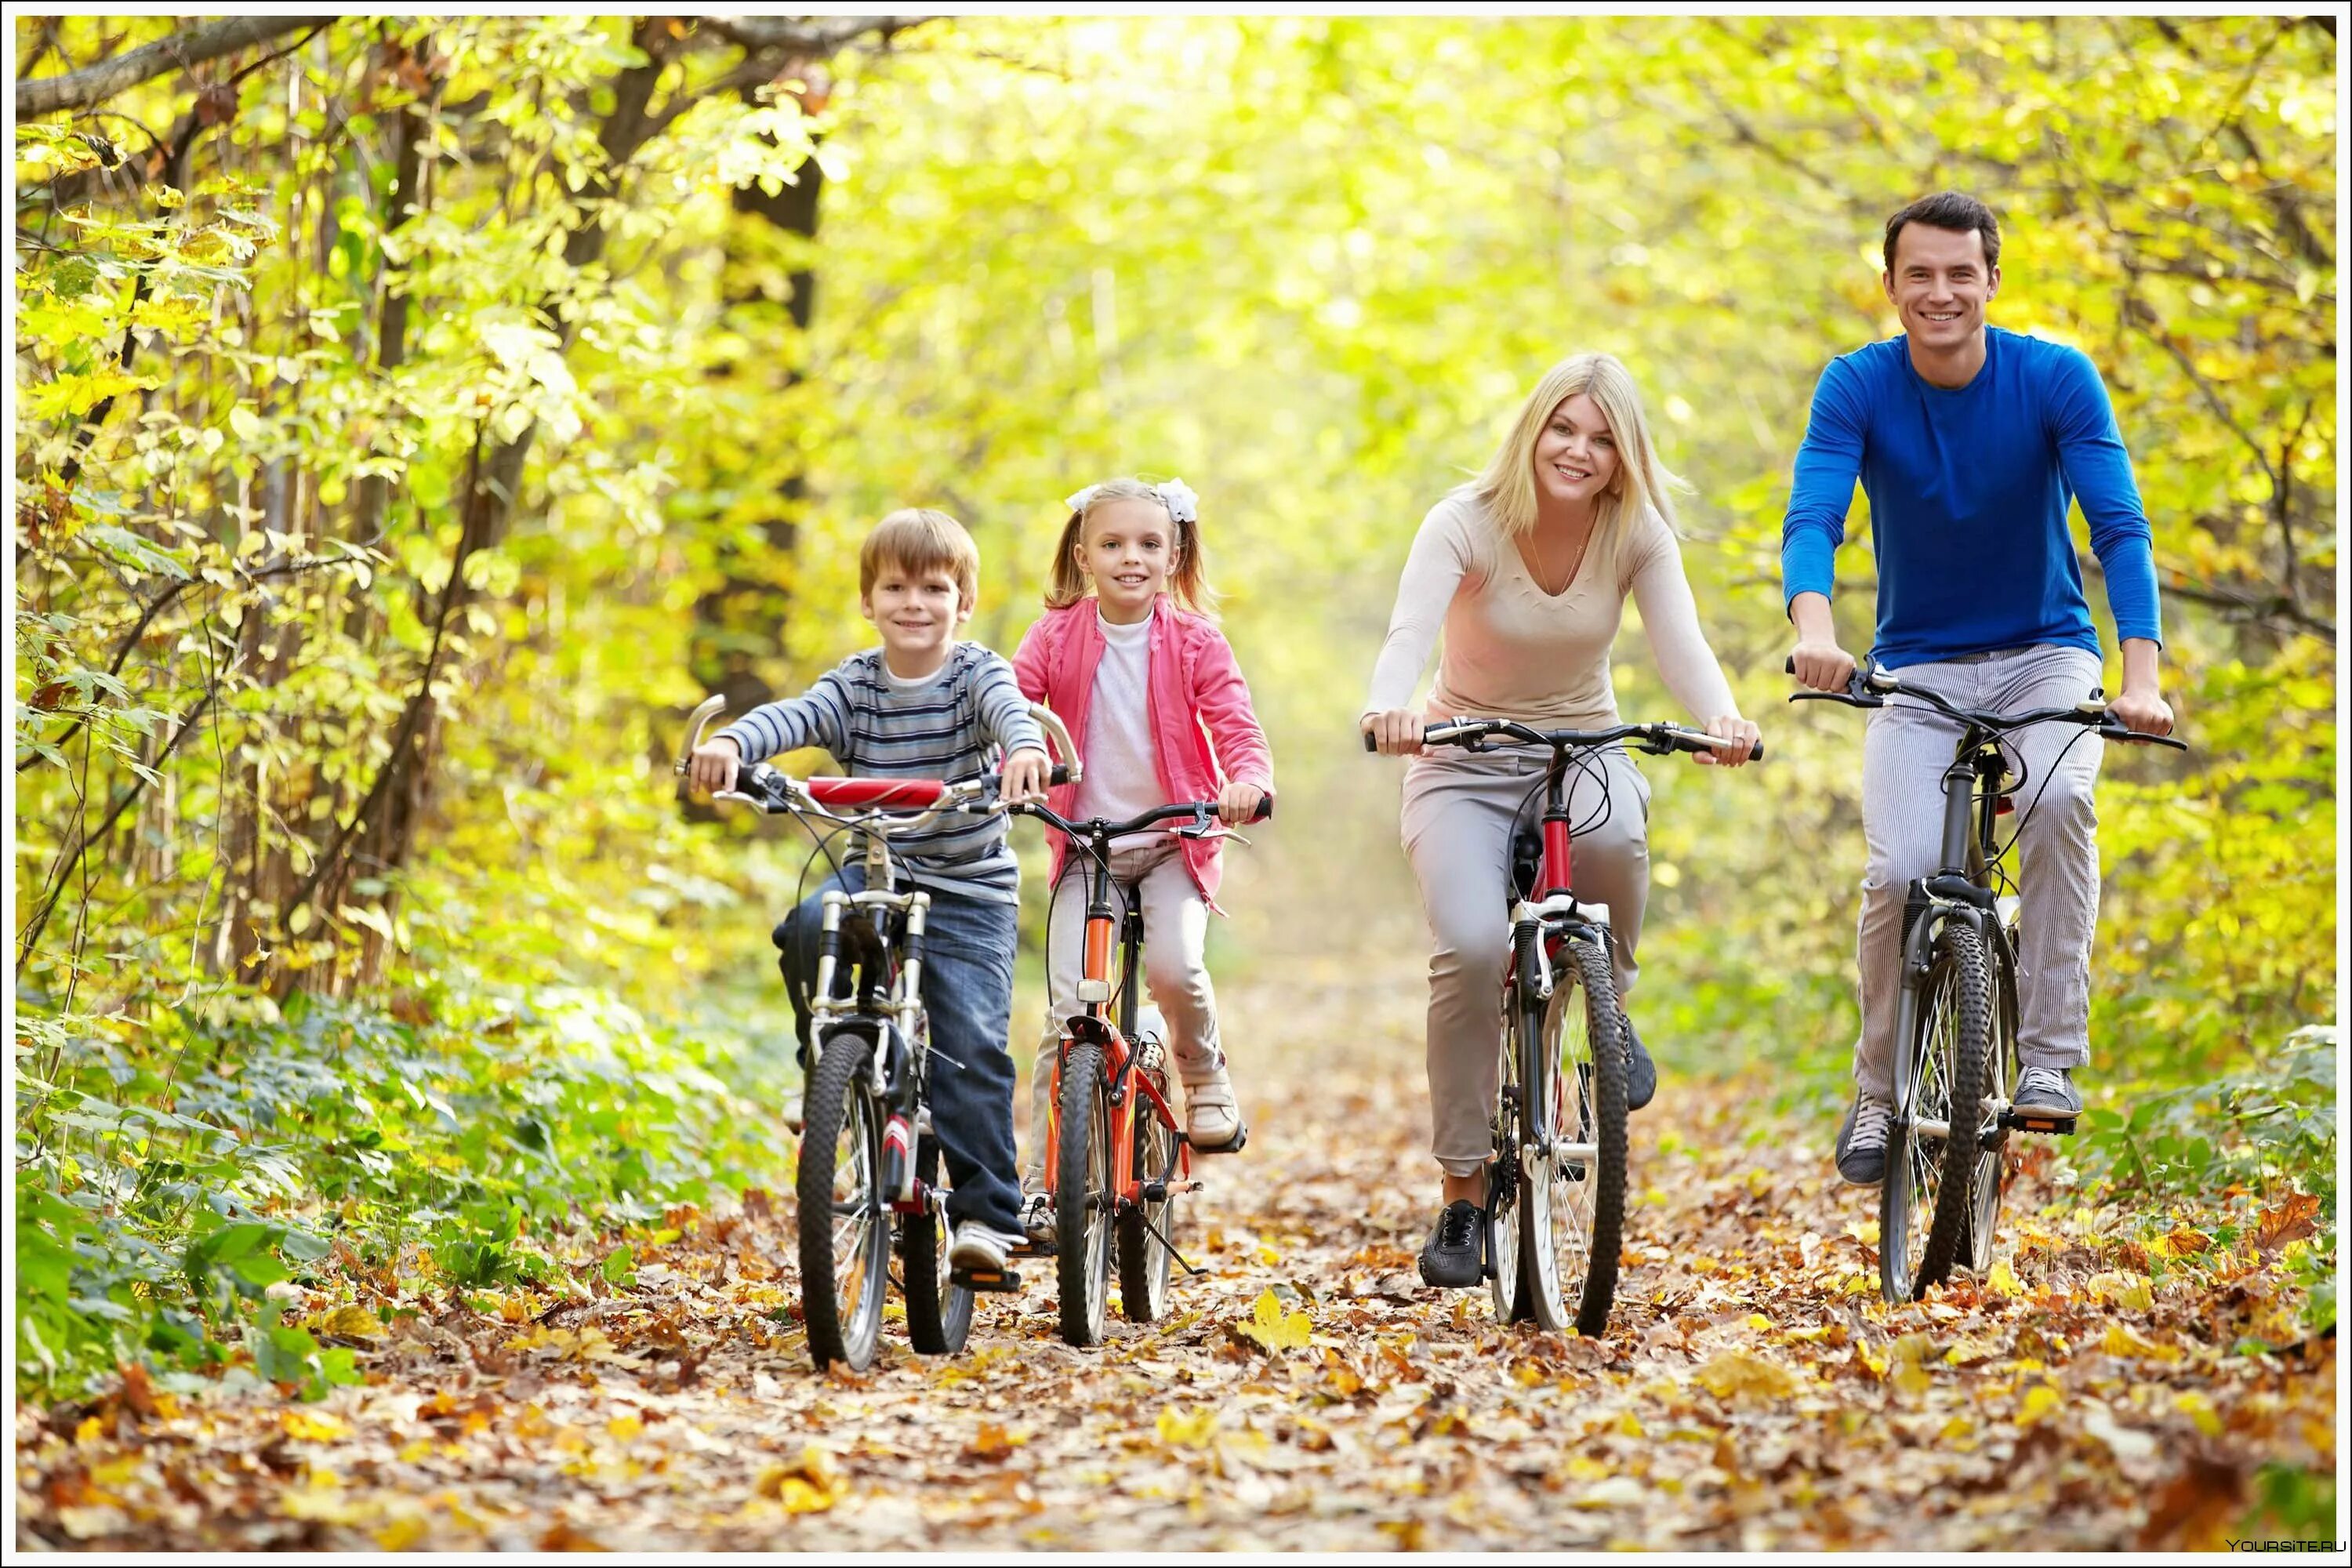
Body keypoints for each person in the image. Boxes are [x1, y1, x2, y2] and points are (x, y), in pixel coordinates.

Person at [1780, 191, 2172, 1187]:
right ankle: (1877, 1087)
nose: (1941, 292)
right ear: (1892, 285)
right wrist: (1816, 634)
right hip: (1918, 664)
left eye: (1962, 273)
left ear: (1993, 280)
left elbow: (2118, 527)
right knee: (1897, 869)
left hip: (2047, 651)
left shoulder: (2055, 378)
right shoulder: (1857, 386)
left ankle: (2045, 1056)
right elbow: (1815, 514)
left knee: (2062, 801)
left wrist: (2142, 679)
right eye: (1920, 274)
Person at [1361, 353, 1760, 1289]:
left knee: (1618, 837)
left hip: (1583, 748)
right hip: (1461, 759)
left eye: (1601, 438)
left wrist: (1723, 716)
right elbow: (1408, 633)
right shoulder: (1464, 522)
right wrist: (1393, 706)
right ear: (1532, 431)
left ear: (1625, 456)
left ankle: (1605, 1016)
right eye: (1563, 429)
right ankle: (1464, 1194)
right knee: (1465, 946)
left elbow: (1681, 642)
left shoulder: (1637, 533)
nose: (1578, 451)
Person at [687, 508, 1051, 1273]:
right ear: (868, 599)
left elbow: (1010, 713)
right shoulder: (855, 684)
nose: (914, 602)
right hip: (875, 870)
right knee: (808, 925)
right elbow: (795, 716)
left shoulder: (975, 672)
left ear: (964, 601)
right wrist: (732, 742)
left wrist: (1022, 749)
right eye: (895, 586)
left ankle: (987, 1215)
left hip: (966, 891)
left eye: (934, 587)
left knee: (971, 1046)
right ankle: (829, 1065)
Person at [1011, 477, 1275, 1241]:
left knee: (1176, 966)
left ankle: (1202, 1073)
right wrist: (1020, 756)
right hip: (1085, 847)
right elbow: (1014, 706)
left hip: (1171, 842)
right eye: (1114, 543)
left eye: (1149, 544)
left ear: (1174, 554)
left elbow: (1234, 721)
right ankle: (1040, 1186)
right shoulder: (1054, 635)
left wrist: (1247, 780)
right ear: (1084, 554)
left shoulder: (1195, 640)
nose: (1132, 557)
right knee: (1065, 1017)